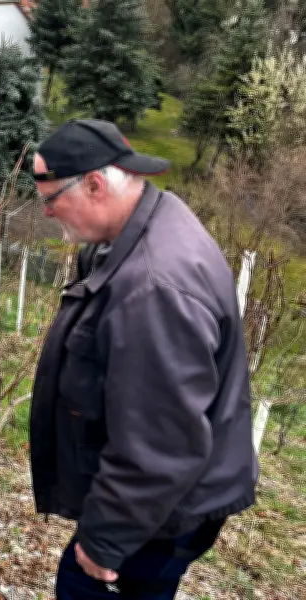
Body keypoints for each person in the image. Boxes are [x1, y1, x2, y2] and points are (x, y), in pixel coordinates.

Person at [29, 119, 258, 600]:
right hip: (160, 503)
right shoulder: (146, 219)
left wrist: (104, 542)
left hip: (159, 513)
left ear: (93, 183)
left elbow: (162, 443)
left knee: (81, 586)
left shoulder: (154, 288)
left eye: (50, 199)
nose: (47, 213)